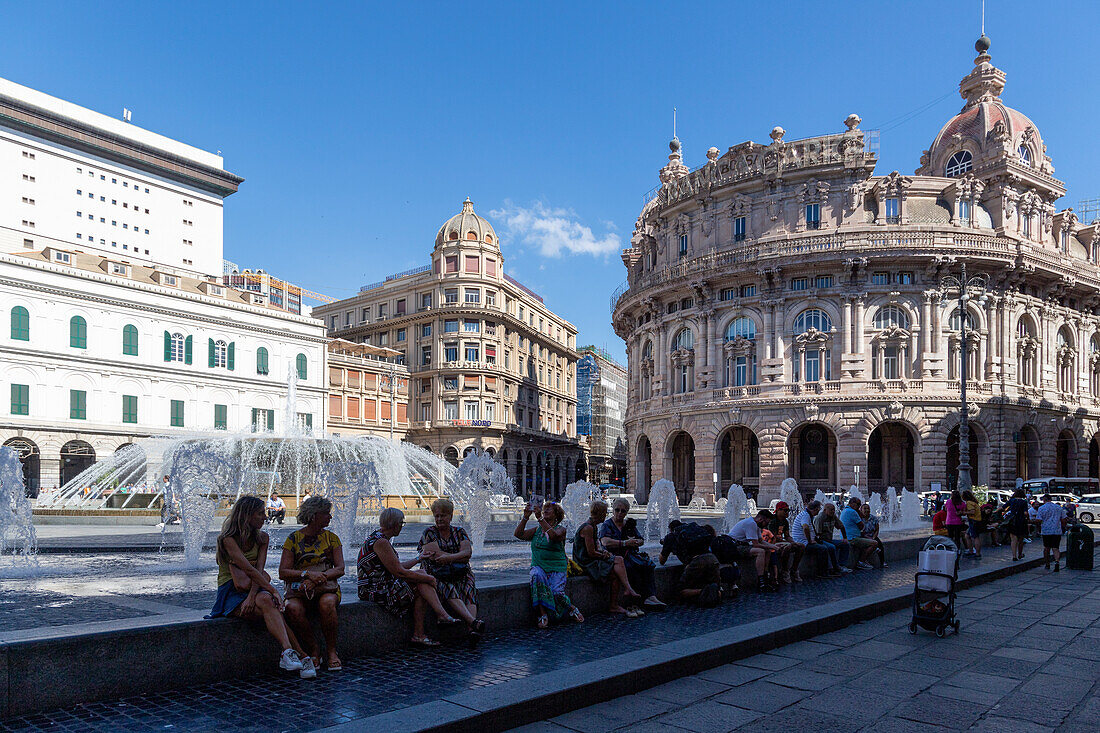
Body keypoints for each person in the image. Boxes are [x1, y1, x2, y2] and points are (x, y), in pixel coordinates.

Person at [207, 495, 312, 678]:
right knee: (272, 607)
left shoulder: (262, 538)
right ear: (246, 516)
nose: (265, 517)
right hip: (230, 592)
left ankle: (288, 653)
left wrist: (253, 596)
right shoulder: (228, 540)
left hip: (255, 589)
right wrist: (272, 591)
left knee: (266, 601)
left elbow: (259, 571)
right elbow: (250, 571)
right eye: (260, 513)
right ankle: (301, 655)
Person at [357, 507, 460, 647]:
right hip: (374, 591)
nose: (402, 526)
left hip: (380, 585)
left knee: (421, 575)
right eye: (401, 523)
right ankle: (430, 624)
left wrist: (419, 558)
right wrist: (430, 579)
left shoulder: (378, 537)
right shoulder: (381, 542)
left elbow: (396, 567)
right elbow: (399, 572)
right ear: (394, 524)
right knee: (421, 582)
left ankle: (434, 622)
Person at [280, 496, 344, 672]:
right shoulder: (293, 539)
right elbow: (283, 572)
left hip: (326, 588)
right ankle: (313, 649)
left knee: (327, 603)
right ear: (314, 515)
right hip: (300, 590)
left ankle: (331, 651)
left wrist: (318, 578)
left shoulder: (332, 538)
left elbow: (340, 569)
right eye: (326, 514)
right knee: (292, 608)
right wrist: (307, 575)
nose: (330, 517)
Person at [418, 498, 485, 644]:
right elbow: (437, 557)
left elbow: (468, 554)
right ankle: (473, 623)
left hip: (460, 572)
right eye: (437, 516)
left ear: (451, 516)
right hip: (436, 573)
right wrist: (458, 557)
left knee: (469, 588)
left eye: (443, 515)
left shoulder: (459, 531)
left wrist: (449, 558)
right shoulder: (429, 533)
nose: (439, 519)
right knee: (448, 587)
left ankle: (472, 631)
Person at [515, 500, 583, 628]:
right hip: (539, 566)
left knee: (556, 594)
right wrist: (525, 517)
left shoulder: (561, 529)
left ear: (556, 514)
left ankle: (571, 608)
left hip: (557, 567)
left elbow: (553, 536)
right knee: (536, 577)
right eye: (544, 509)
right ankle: (542, 614)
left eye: (548, 509)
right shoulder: (537, 530)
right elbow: (518, 534)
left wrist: (540, 518)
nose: (545, 510)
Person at [574, 500, 642, 616]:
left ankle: (618, 601)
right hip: (585, 562)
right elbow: (590, 553)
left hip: (591, 559)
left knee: (617, 566)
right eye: (605, 513)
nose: (606, 515)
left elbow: (595, 548)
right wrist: (603, 555)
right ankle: (626, 591)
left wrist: (603, 553)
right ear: (599, 514)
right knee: (619, 560)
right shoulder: (588, 528)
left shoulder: (593, 526)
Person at [599, 498, 665, 611]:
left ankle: (651, 596)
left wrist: (636, 542)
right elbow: (605, 541)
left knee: (648, 565)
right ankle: (638, 599)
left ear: (627, 512)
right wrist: (624, 543)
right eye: (617, 510)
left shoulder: (629, 524)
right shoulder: (607, 525)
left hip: (630, 555)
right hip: (615, 556)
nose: (620, 513)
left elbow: (641, 540)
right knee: (630, 567)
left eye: (623, 511)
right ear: (613, 510)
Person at [658, 521, 722, 605]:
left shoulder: (671, 536)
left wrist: (666, 544)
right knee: (713, 585)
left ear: (671, 529)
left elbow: (662, 561)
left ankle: (704, 591)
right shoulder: (695, 531)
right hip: (712, 558)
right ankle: (717, 592)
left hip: (697, 562)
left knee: (680, 591)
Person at [729, 509, 778, 592]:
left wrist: (774, 546)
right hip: (735, 547)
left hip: (742, 545)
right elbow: (756, 544)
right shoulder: (751, 524)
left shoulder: (756, 524)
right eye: (767, 522)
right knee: (760, 551)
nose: (767, 525)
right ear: (761, 519)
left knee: (768, 551)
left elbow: (761, 541)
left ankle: (766, 576)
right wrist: (772, 547)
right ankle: (761, 581)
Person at [791, 501, 844, 576]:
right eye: (818, 510)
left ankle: (833, 569)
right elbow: (805, 528)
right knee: (823, 548)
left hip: (806, 541)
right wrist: (809, 541)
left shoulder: (808, 515)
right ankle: (823, 572)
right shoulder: (806, 515)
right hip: (803, 543)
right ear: (815, 509)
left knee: (829, 547)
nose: (819, 512)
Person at [768, 501, 803, 583]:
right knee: (788, 547)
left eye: (788, 510)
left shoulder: (785, 521)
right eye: (785, 510)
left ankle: (794, 569)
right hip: (771, 543)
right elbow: (773, 537)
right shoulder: (772, 521)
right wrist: (788, 542)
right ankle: (784, 570)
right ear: (778, 510)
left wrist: (793, 542)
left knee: (801, 546)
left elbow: (787, 536)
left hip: (780, 542)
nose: (787, 512)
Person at [839, 498, 877, 570]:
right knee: (874, 543)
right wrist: (859, 513)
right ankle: (861, 562)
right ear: (852, 503)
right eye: (858, 504)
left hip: (849, 537)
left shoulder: (845, 510)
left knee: (866, 538)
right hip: (852, 538)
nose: (859, 507)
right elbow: (862, 526)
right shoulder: (852, 512)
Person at [1035, 494, 1068, 571]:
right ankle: (1057, 562)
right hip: (1056, 530)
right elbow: (1064, 519)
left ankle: (1047, 564)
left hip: (1046, 530)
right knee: (1056, 548)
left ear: (1044, 500)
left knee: (1047, 548)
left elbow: (1039, 520)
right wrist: (1063, 527)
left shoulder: (1041, 508)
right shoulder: (1058, 507)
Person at [814, 503, 852, 571]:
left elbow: (841, 526)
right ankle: (834, 567)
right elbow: (817, 534)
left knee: (846, 544)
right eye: (831, 510)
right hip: (821, 540)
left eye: (834, 510)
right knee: (831, 547)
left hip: (829, 540)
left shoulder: (833, 516)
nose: (833, 511)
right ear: (825, 510)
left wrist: (845, 538)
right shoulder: (820, 518)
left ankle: (842, 565)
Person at [1005, 489, 1031, 562]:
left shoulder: (1011, 500)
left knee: (1013, 539)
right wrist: (1028, 518)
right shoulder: (1024, 501)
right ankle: (1020, 554)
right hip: (1021, 521)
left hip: (1012, 521)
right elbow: (1025, 513)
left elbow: (1003, 507)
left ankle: (1014, 556)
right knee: (1020, 539)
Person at [962, 490, 982, 558]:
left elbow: (972, 512)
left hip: (974, 521)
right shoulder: (974, 502)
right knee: (967, 536)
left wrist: (964, 513)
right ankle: (971, 551)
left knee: (975, 537)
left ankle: (977, 553)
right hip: (976, 521)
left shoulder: (969, 503)